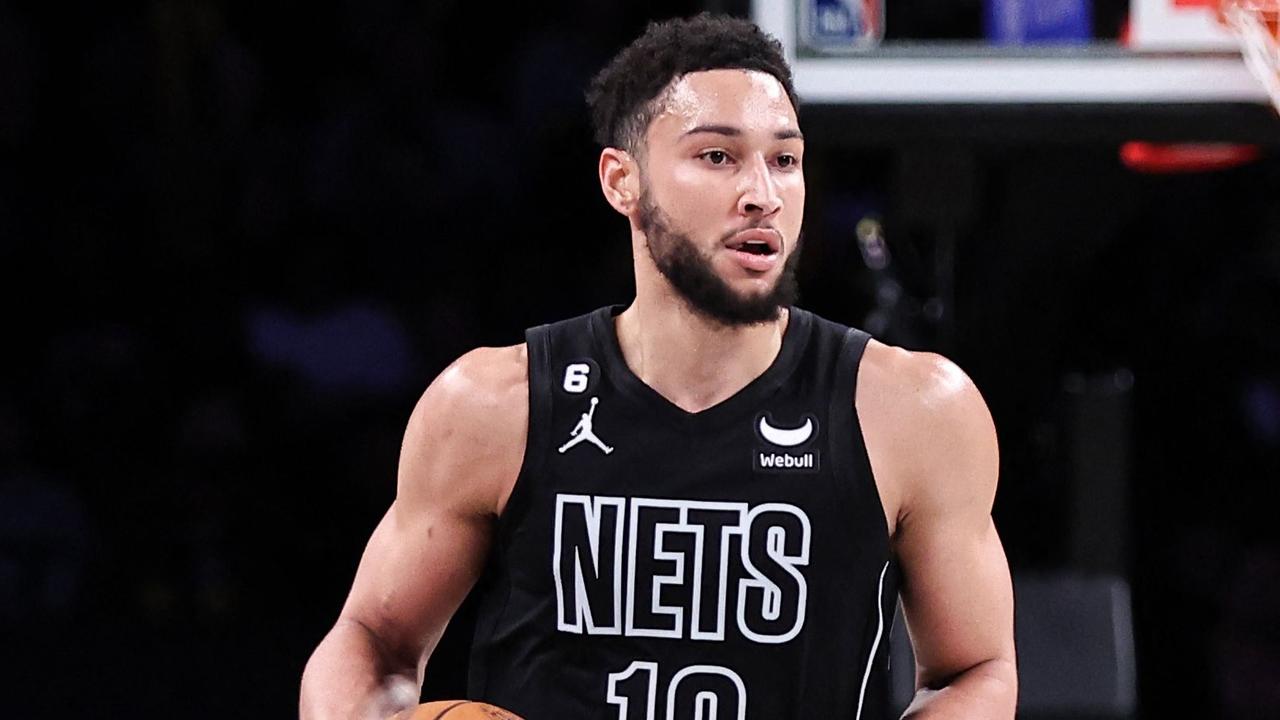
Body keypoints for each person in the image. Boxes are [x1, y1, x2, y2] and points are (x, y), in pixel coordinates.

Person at [300, 13, 1016, 720]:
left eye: (785, 159)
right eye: (718, 156)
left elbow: (974, 669)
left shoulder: (911, 410)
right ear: (623, 181)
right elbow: (372, 639)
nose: (762, 193)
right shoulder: (497, 404)